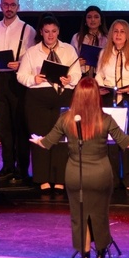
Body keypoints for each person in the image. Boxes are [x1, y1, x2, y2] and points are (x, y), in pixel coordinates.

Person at [30, 77, 129, 258]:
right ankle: (100, 257)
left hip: (75, 176)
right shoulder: (105, 118)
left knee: (80, 217)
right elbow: (126, 143)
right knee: (99, 216)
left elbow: (47, 143)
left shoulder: (66, 119)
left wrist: (38, 140)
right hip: (100, 175)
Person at [18, 13, 82, 194]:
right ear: (41, 32)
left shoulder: (68, 50)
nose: (51, 35)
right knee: (42, 138)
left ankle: (60, 178)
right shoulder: (32, 52)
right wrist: (34, 78)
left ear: (58, 31)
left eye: (54, 31)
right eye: (47, 32)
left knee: (62, 138)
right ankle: (42, 178)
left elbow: (77, 74)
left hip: (62, 97)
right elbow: (20, 76)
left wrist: (69, 79)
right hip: (38, 100)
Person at [0, 0, 36, 185]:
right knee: (4, 127)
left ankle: (22, 170)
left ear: (18, 7)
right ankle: (7, 167)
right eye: (5, 4)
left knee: (20, 126)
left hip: (18, 81)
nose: (9, 8)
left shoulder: (28, 30)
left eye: (12, 5)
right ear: (0, 6)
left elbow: (34, 56)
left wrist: (21, 63)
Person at [95, 19, 129, 193]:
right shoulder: (104, 53)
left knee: (128, 139)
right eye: (115, 31)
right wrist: (101, 86)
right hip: (109, 98)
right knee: (110, 141)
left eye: (122, 31)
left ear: (127, 34)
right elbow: (99, 75)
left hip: (128, 98)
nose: (118, 34)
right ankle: (113, 179)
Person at [70, 5, 108, 79]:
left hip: (101, 77)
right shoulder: (77, 37)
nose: (93, 20)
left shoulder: (107, 38)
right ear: (85, 21)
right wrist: (77, 63)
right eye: (89, 17)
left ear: (101, 21)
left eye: (96, 17)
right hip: (81, 76)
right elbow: (70, 59)